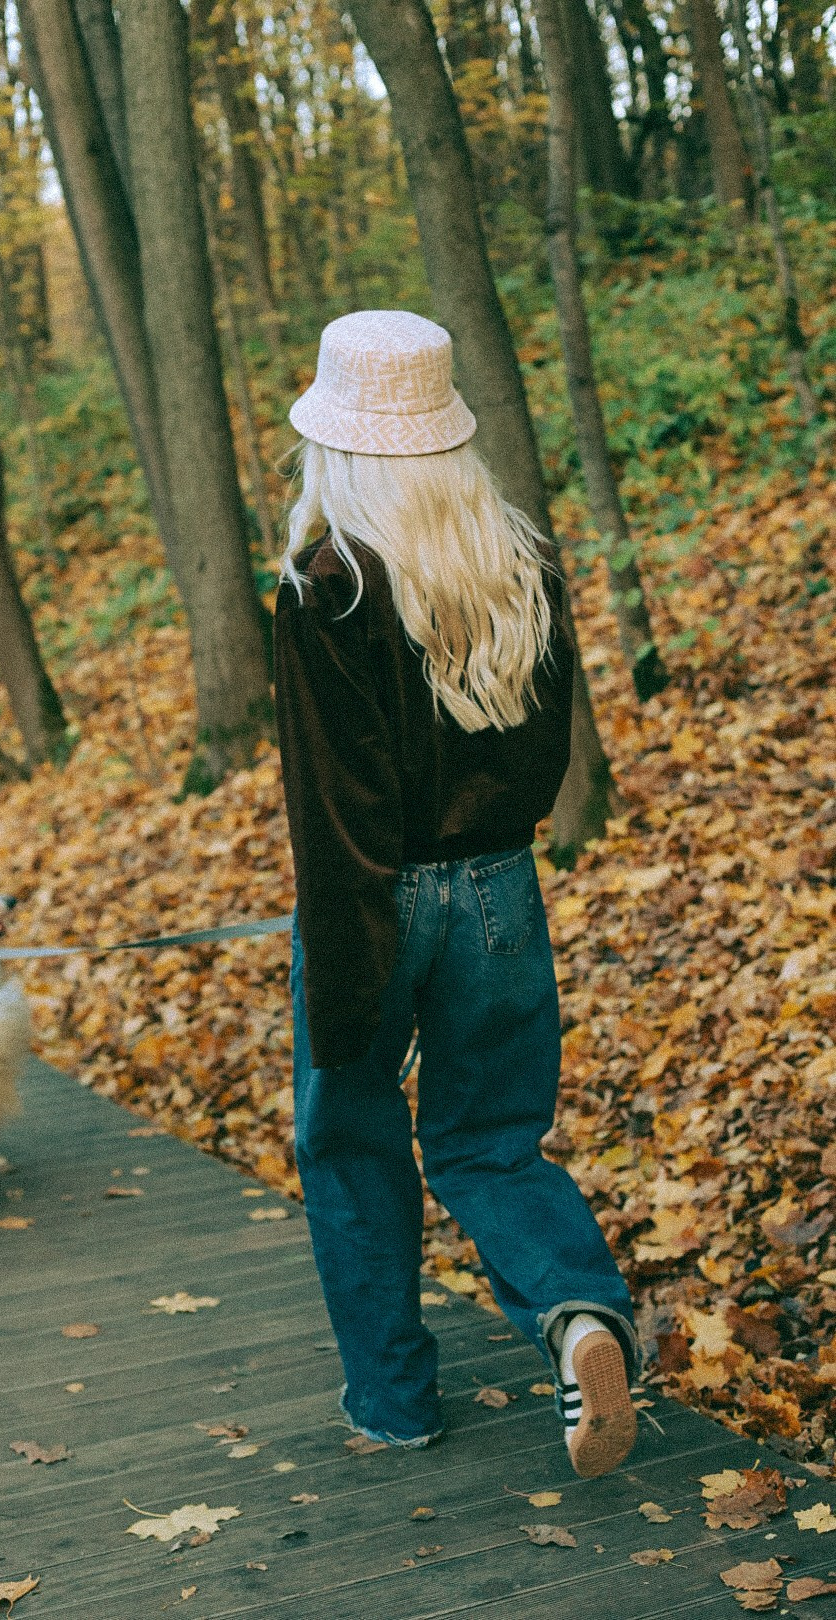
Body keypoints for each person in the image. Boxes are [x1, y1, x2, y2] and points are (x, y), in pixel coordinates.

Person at [273, 309, 639, 1479]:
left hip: (374, 899)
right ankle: (581, 1312)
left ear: (339, 445)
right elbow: (543, 758)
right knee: (491, 1143)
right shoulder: (517, 561)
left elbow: (337, 815)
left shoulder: (326, 584)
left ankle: (394, 1403)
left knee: (351, 1140)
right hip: (500, 889)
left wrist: (342, 981)